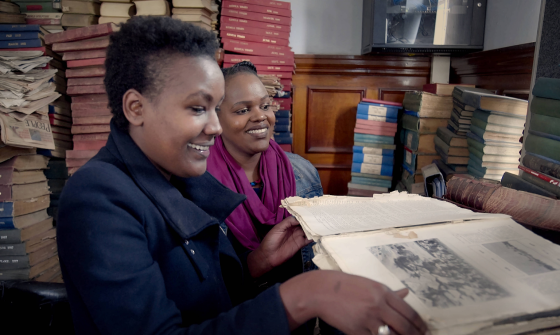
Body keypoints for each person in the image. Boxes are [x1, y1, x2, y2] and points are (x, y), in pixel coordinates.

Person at [57, 17, 428, 335]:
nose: (216, 127)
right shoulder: (97, 199)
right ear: (136, 108)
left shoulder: (181, 178)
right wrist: (305, 295)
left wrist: (257, 264)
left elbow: (210, 297)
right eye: (198, 108)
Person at [206, 61, 322, 288]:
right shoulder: (198, 184)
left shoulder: (303, 172)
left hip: (297, 310)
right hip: (233, 317)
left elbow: (317, 258)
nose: (261, 117)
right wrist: (256, 263)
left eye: (265, 106)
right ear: (216, 119)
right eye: (243, 110)